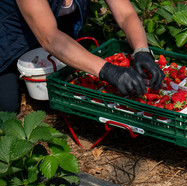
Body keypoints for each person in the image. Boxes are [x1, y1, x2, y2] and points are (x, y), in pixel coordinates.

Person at [0, 0, 164, 112]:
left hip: (56, 32)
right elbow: (49, 37)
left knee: (67, 93)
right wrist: (108, 71)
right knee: (6, 108)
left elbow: (125, 13)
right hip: (9, 39)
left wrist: (141, 50)